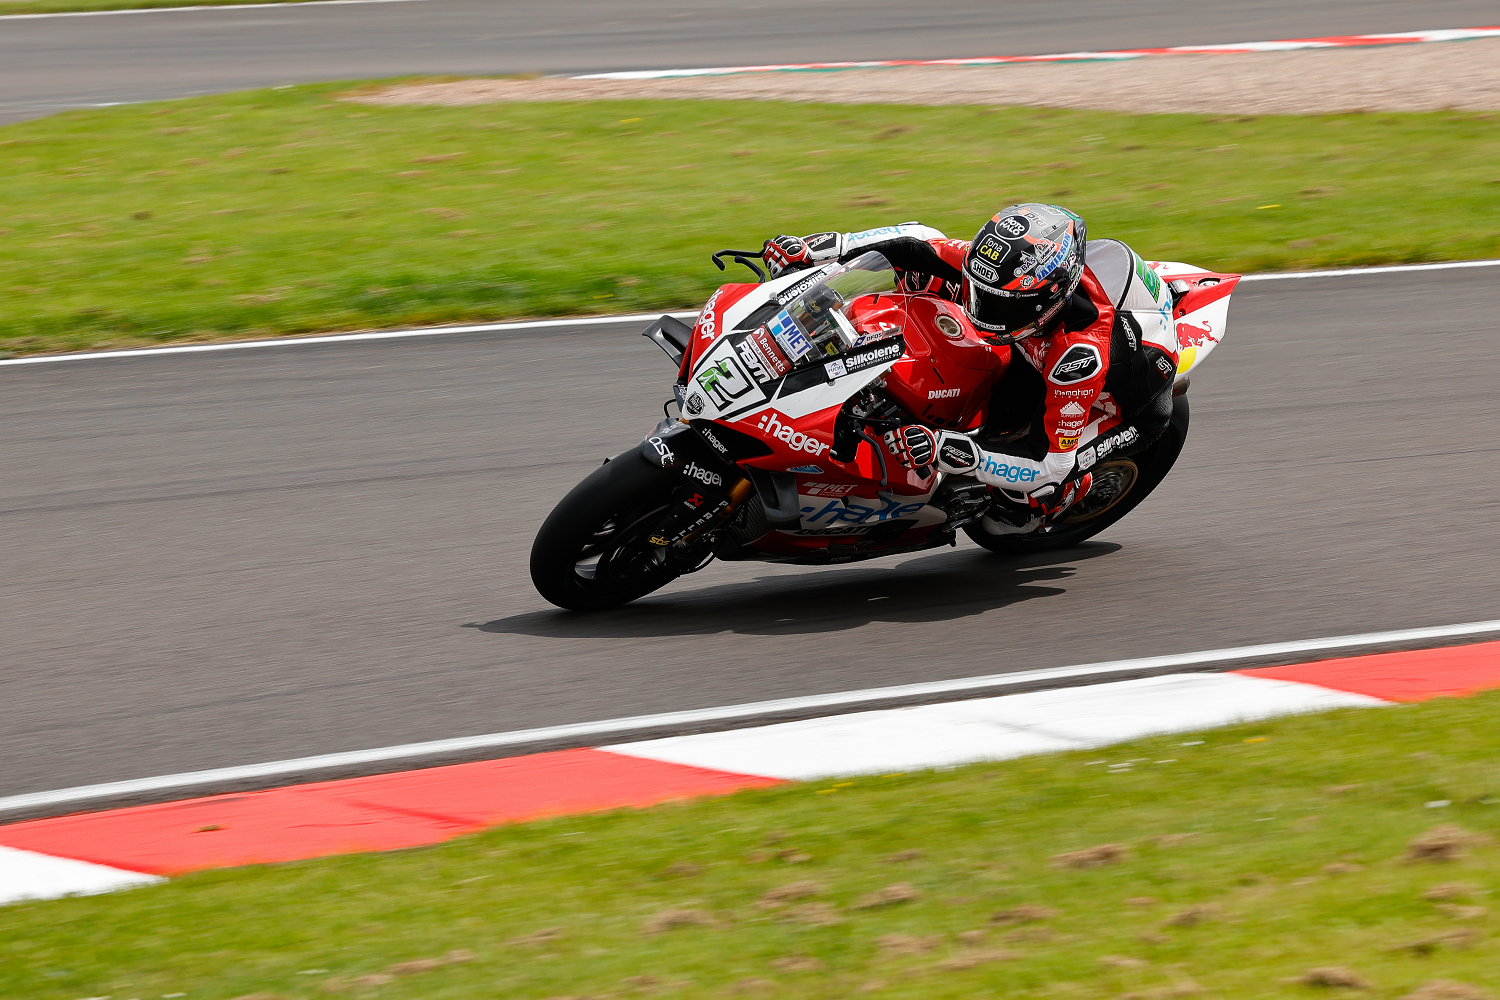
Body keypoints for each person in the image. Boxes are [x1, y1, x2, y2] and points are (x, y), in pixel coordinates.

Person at [761, 205, 1180, 534]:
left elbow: (1049, 461)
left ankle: (1056, 506)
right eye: (981, 293)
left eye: (995, 302)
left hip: (1126, 412)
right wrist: (825, 248)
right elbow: (918, 243)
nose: (979, 309)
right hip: (1035, 350)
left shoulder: (1078, 358)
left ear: (1047, 298)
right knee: (923, 273)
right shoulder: (1011, 274)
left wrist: (946, 449)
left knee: (1036, 491)